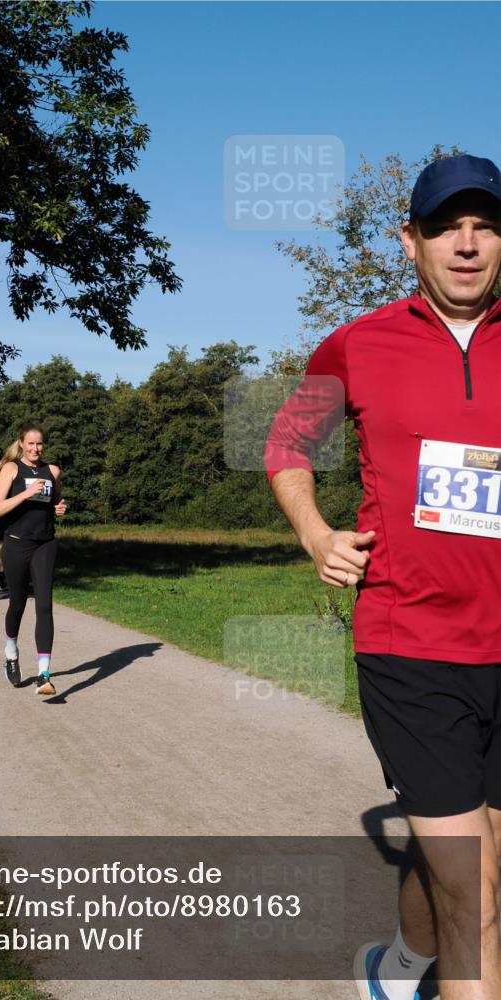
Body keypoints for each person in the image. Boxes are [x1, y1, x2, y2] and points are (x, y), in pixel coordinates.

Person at [264, 154, 501, 1000]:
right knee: (475, 893)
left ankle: (397, 968)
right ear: (411, 241)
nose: (466, 245)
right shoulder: (361, 343)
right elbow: (287, 443)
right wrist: (315, 531)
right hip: (412, 645)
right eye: (445, 228)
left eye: (484, 226)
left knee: (475, 869)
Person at [0, 422, 67, 695]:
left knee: (44, 605)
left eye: (40, 444)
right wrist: (25, 493)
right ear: (21, 444)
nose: (36, 448)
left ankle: (44, 674)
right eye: (31, 443)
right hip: (16, 545)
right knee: (18, 605)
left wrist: (59, 507)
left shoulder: (52, 471)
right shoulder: (12, 470)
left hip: (45, 544)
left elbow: (55, 503)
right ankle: (11, 651)